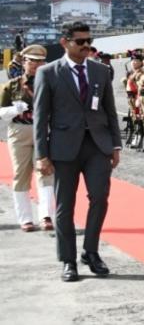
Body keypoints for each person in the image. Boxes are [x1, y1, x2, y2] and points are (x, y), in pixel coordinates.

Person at [33, 22, 122, 282]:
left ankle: (91, 252)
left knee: (99, 198)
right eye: (80, 41)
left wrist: (115, 145)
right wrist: (41, 155)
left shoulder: (100, 71)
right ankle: (68, 260)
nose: (86, 46)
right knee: (64, 207)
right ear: (65, 42)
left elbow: (110, 112)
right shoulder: (48, 73)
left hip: (97, 146)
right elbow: (41, 118)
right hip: (63, 148)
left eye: (89, 40)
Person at [2, 45, 54, 232]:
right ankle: (25, 218)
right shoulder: (13, 85)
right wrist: (14, 110)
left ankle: (45, 215)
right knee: (20, 174)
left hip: (43, 131)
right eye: (32, 60)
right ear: (24, 62)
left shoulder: (50, 83)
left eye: (40, 61)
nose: (36, 64)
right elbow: (0, 112)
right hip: (19, 131)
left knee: (46, 172)